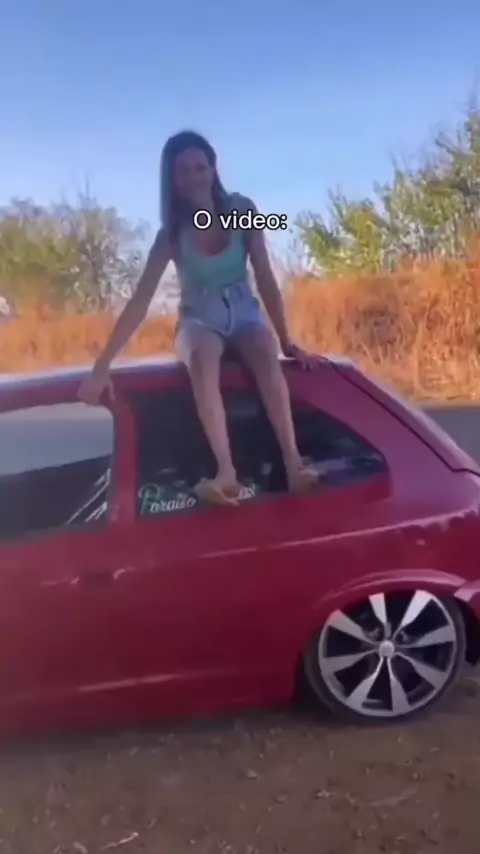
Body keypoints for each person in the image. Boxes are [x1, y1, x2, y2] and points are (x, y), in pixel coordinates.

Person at [78, 130, 320, 506]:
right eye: (183, 171)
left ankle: (293, 463)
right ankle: (226, 473)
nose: (193, 177)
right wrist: (101, 365)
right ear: (172, 180)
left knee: (264, 349)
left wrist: (288, 340)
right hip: (198, 318)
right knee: (202, 356)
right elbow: (140, 301)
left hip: (245, 310)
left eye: (200, 167)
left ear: (212, 169)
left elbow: (265, 276)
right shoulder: (171, 235)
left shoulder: (243, 210)